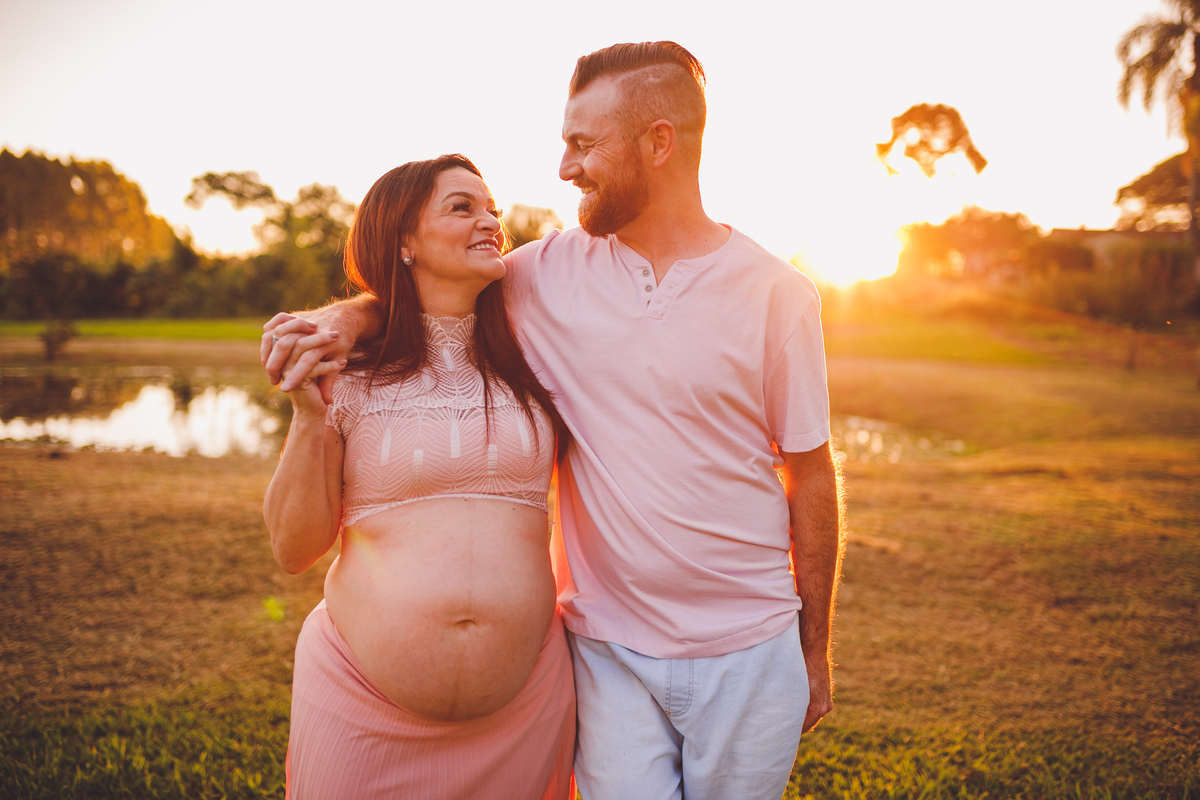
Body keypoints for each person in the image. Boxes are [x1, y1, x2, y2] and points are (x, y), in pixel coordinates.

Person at [266, 42, 844, 800]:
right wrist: (347, 318)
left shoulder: (775, 293)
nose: (565, 168)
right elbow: (427, 293)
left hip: (726, 650)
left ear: (658, 142)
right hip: (601, 652)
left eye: (582, 144)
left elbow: (809, 471)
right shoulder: (543, 275)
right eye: (564, 143)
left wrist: (815, 646)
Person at [262, 154, 575, 800]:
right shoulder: (348, 376)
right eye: (462, 208)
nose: (490, 221)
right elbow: (295, 550)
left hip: (523, 712)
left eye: (491, 208)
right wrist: (306, 414)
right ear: (403, 240)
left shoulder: (535, 350)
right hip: (360, 709)